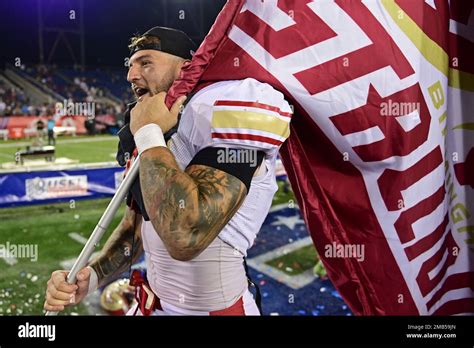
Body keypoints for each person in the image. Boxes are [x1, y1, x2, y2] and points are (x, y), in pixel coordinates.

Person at [44, 26, 292, 316]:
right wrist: (93, 277)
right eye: (131, 65)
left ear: (186, 68)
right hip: (152, 305)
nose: (131, 75)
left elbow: (186, 235)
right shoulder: (150, 135)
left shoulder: (221, 111)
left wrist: (148, 134)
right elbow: (134, 229)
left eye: (146, 62)